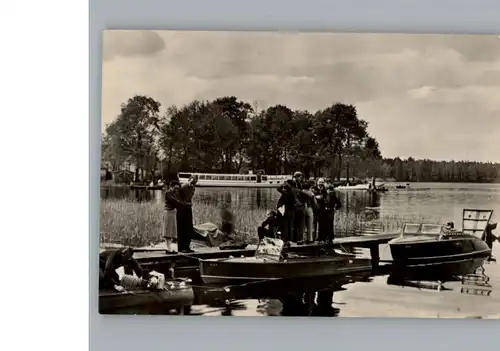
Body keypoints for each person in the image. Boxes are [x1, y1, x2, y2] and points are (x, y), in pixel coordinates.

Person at [163, 179, 191, 254]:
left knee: (171, 231)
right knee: (168, 231)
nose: (176, 190)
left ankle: (169, 248)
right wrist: (185, 205)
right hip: (168, 212)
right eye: (175, 188)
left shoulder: (173, 193)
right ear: (171, 186)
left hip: (172, 213)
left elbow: (177, 200)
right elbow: (175, 201)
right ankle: (168, 249)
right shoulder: (168, 193)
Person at [177, 175, 197, 253]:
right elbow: (179, 196)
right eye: (193, 180)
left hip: (188, 208)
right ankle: (181, 247)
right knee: (182, 228)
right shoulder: (184, 186)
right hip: (182, 209)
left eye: (195, 181)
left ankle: (187, 246)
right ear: (190, 180)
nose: (194, 183)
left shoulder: (193, 188)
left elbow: (189, 197)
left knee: (189, 228)